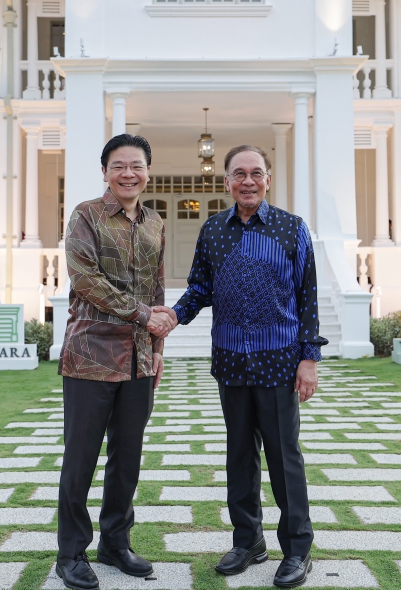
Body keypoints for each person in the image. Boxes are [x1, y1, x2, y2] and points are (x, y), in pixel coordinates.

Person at [155, 144, 326, 588]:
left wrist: (309, 358)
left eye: (256, 172)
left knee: (284, 458)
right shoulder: (213, 230)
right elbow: (199, 288)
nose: (247, 180)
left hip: (279, 360)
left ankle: (297, 550)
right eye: (239, 174)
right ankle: (247, 540)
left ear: (268, 178)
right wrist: (174, 315)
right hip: (230, 360)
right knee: (239, 456)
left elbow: (308, 297)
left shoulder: (292, 229)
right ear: (226, 181)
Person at [55, 134, 173, 590]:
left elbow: (157, 290)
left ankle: (115, 543)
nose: (129, 173)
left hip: (139, 360)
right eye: (119, 165)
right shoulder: (85, 215)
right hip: (90, 356)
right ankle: (70, 553)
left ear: (147, 171)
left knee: (127, 457)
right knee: (80, 458)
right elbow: (85, 281)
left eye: (137, 165)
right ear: (105, 171)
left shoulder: (155, 223)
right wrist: (144, 315)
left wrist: (158, 347)